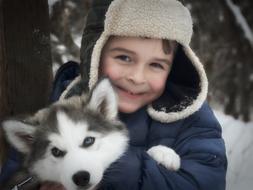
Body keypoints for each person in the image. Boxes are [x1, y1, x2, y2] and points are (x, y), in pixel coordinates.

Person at [1, 0, 227, 189]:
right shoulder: (59, 107)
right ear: (95, 55)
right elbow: (15, 179)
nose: (137, 77)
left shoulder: (191, 118)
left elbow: (206, 182)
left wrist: (126, 169)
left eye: (156, 64)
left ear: (174, 68)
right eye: (124, 58)